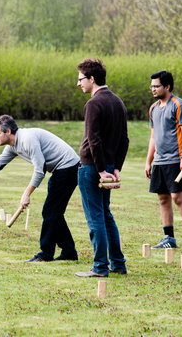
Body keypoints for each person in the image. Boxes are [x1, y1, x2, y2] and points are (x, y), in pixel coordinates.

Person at [0, 115, 80, 262]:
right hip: (60, 170)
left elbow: (40, 169)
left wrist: (26, 194)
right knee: (53, 212)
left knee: (50, 212)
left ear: (8, 132)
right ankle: (69, 252)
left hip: (68, 167)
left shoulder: (27, 139)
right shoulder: (12, 146)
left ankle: (46, 254)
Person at [74, 58, 129, 278]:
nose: (78, 84)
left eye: (80, 79)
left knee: (95, 217)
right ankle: (118, 263)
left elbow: (93, 139)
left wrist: (98, 170)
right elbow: (124, 140)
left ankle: (99, 267)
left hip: (91, 167)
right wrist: (115, 167)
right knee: (106, 215)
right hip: (108, 166)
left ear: (92, 79)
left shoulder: (94, 103)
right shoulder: (118, 101)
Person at [145, 70, 182, 251]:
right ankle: (169, 238)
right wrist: (148, 161)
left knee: (178, 197)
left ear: (167, 86)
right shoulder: (153, 108)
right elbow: (153, 137)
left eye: (157, 86)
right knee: (163, 199)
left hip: (175, 160)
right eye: (152, 86)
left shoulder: (178, 105)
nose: (153, 89)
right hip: (159, 162)